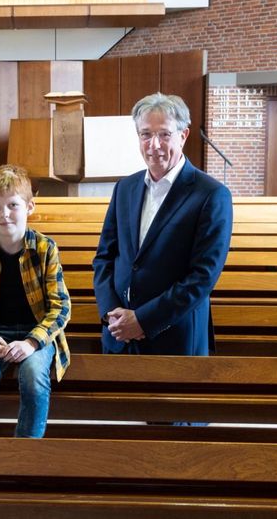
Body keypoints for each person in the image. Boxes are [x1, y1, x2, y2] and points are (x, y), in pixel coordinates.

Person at [92, 93, 232, 356]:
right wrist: (112, 314)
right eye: (145, 134)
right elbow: (104, 258)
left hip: (175, 338)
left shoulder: (211, 195)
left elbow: (202, 277)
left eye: (164, 134)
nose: (154, 145)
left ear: (184, 135)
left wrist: (143, 320)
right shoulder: (125, 188)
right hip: (118, 336)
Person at [0, 164, 71, 438]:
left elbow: (60, 307)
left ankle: (25, 453)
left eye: (12, 205)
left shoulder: (45, 248)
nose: (4, 214)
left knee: (33, 378)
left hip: (37, 336)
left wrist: (32, 342)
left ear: (30, 206)